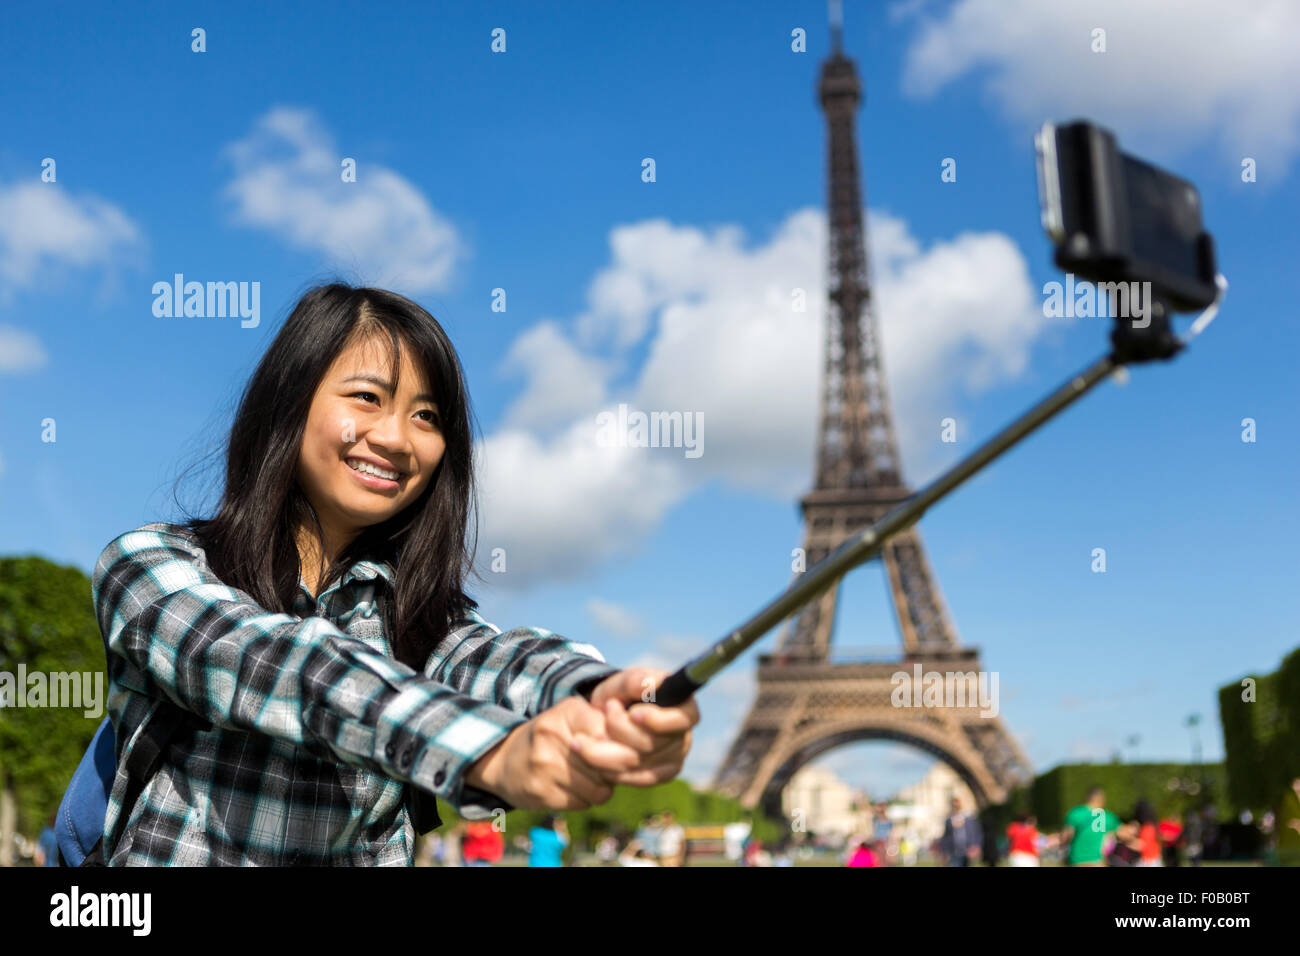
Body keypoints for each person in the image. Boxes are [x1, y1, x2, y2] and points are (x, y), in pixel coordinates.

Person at [91, 283, 700, 865]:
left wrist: (600, 697)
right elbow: (279, 667)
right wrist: (488, 750)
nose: (397, 438)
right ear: (289, 400)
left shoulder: (419, 620)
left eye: (428, 416)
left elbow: (502, 660)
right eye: (367, 397)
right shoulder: (149, 564)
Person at [1061, 785, 1132, 867]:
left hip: (1077, 860)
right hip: (1097, 861)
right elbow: (1125, 834)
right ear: (1102, 799)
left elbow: (1066, 837)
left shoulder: (1075, 813)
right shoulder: (1107, 817)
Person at [939, 797, 982, 866]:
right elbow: (946, 837)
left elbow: (977, 833)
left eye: (957, 805)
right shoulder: (949, 821)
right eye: (954, 805)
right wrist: (944, 851)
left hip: (968, 850)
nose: (956, 806)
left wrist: (976, 846)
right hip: (954, 851)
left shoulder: (969, 819)